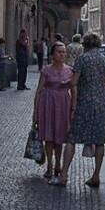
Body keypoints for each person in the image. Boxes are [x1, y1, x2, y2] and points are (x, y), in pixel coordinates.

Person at [56, 33, 105, 188]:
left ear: (85, 45)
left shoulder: (82, 59)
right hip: (101, 105)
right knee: (100, 141)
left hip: (84, 104)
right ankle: (96, 176)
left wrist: (64, 85)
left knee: (72, 138)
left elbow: (74, 82)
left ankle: (64, 175)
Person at [32, 42, 73, 184]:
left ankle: (58, 164)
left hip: (63, 104)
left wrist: (73, 109)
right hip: (48, 103)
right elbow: (38, 91)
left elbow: (74, 90)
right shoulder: (46, 70)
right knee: (48, 136)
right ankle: (49, 164)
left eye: (64, 52)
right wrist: (35, 112)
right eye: (59, 52)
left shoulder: (69, 70)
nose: (62, 54)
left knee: (60, 135)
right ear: (52, 54)